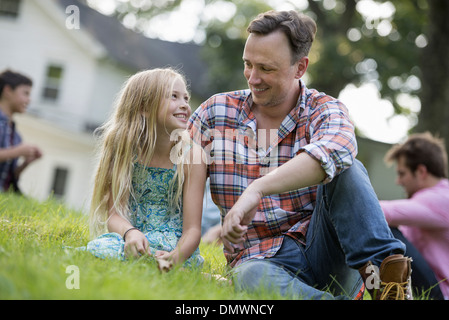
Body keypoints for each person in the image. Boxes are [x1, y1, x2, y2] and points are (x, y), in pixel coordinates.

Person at [188, 10, 411, 300]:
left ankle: (387, 284)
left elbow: (336, 148)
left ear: (300, 67)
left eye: (266, 69)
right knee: (250, 276)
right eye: (248, 64)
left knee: (348, 168)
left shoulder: (325, 110)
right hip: (261, 261)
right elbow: (172, 180)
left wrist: (258, 188)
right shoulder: (214, 114)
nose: (253, 78)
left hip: (328, 253)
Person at [86, 68, 204, 270]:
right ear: (144, 107)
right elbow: (114, 214)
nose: (184, 104)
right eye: (174, 97)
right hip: (132, 237)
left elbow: (192, 230)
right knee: (101, 249)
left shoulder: (192, 156)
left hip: (174, 244)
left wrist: (175, 257)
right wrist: (130, 233)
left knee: (153, 261)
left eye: (186, 97)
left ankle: (180, 269)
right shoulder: (123, 148)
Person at [380, 132, 449, 300]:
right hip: (433, 286)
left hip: (441, 294)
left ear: (421, 171)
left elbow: (382, 212)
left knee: (387, 232)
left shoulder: (442, 197)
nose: (398, 181)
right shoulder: (426, 202)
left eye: (402, 173)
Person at [0, 70, 42, 193]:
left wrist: (26, 163)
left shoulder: (15, 135)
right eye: (25, 93)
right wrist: (17, 151)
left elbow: (8, 178)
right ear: (8, 91)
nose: (29, 100)